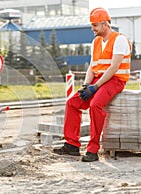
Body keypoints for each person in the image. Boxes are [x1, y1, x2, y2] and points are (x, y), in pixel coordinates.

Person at [53, 7, 131, 162]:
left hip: (115, 80)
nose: (92, 28)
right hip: (98, 80)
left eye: (94, 25)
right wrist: (86, 84)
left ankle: (93, 150)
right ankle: (72, 145)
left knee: (95, 105)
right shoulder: (96, 42)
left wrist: (95, 88)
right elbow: (92, 66)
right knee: (72, 103)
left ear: (105, 24)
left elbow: (113, 68)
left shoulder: (119, 39)